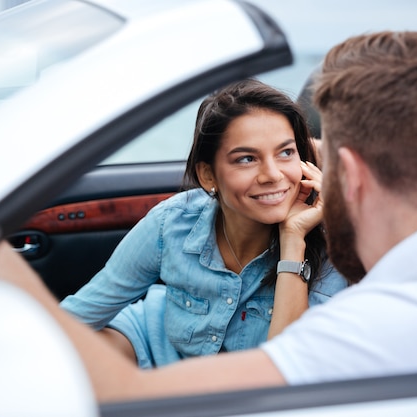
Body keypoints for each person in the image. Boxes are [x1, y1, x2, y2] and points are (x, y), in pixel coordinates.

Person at [0, 30, 417, 402]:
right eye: (248, 158)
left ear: (347, 174)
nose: (283, 175)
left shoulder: (376, 321)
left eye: (303, 154)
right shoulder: (176, 222)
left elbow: (129, 398)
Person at [58, 79, 347, 368]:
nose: (272, 174)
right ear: (208, 176)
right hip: (152, 350)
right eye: (246, 158)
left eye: (285, 152)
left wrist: (294, 239)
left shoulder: (333, 244)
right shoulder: (173, 221)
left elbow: (290, 369)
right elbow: (78, 316)